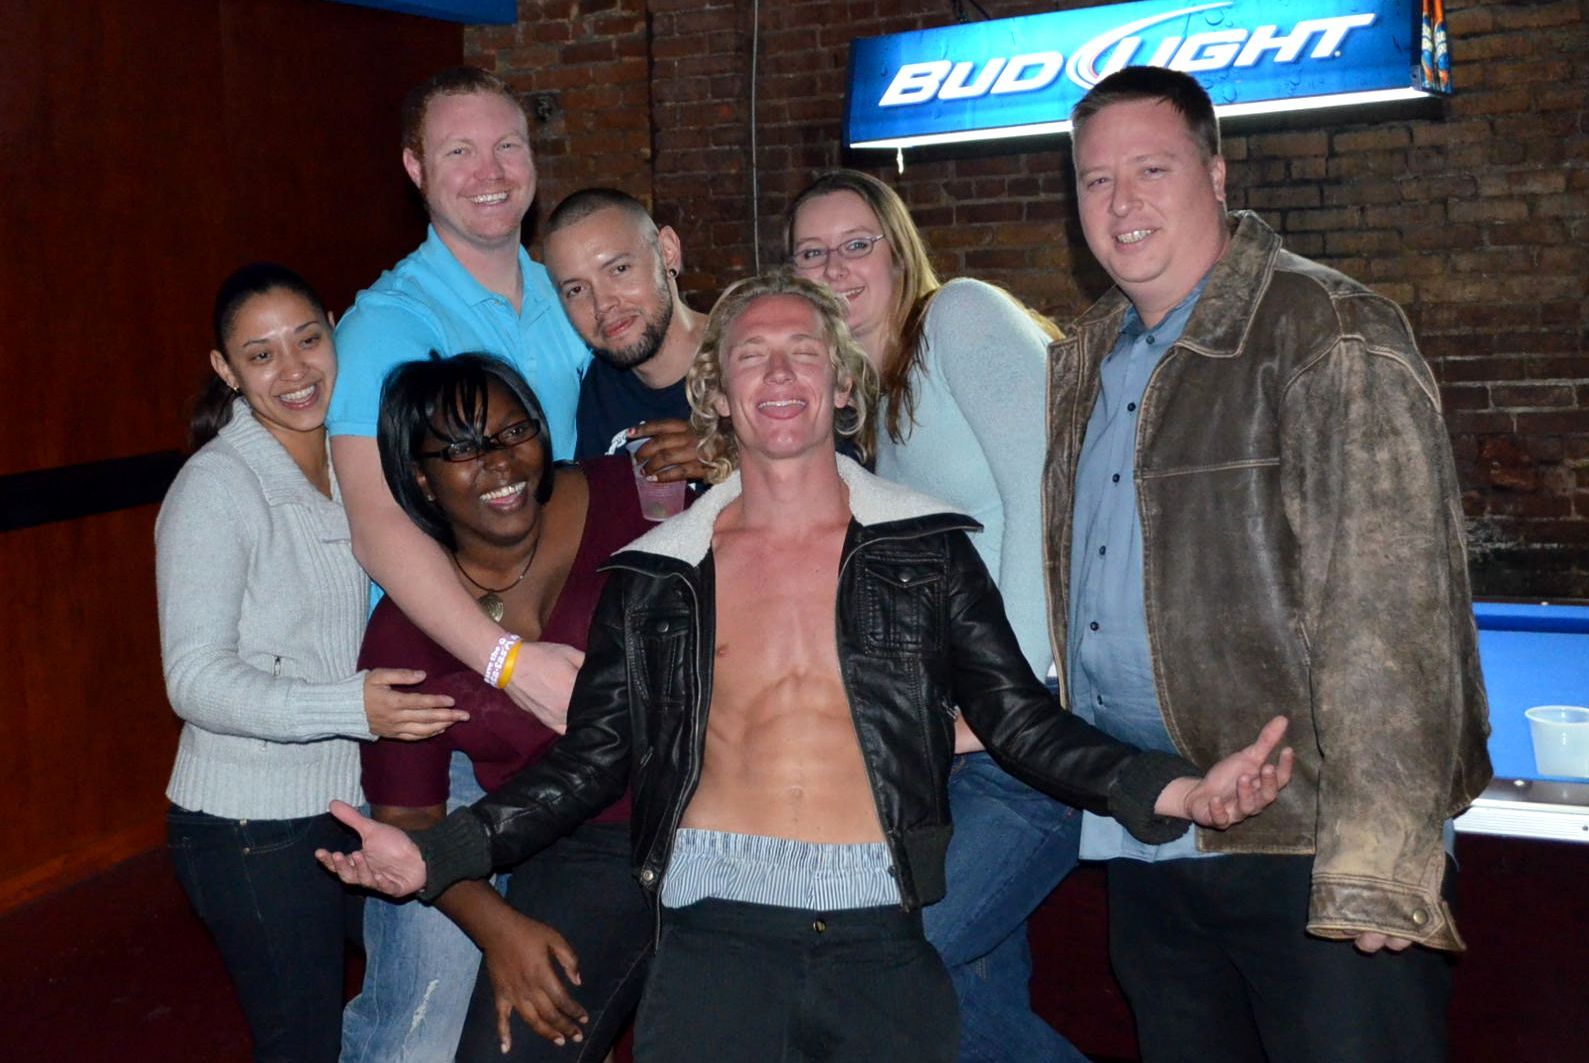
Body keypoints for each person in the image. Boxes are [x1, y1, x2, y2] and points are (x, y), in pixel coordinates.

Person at [317, 271, 1295, 1063]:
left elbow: (1017, 718)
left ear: (841, 384)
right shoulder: (656, 573)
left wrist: (1171, 789)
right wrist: (442, 854)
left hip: (877, 931)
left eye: (804, 352)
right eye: (752, 354)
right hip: (711, 935)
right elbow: (592, 757)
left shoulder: (923, 550)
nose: (779, 373)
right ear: (716, 392)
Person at [1050, 66, 1492, 1062]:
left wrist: (1377, 859)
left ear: (1215, 175)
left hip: (1307, 841)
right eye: (1094, 179)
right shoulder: (1087, 357)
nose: (1119, 202)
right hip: (1152, 830)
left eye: (1150, 169)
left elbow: (1392, 616)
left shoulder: (1325, 328)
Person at [787, 169, 1084, 1063]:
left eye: (856, 244)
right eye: (810, 253)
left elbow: (1050, 494)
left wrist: (1005, 705)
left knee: (877, 970)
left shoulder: (957, 315)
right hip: (949, 750)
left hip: (1024, 744)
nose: (834, 267)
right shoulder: (873, 408)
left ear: (898, 251)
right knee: (954, 1021)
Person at [156, 263, 463, 1062]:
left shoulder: (352, 459)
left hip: (350, 802)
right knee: (302, 1042)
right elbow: (193, 678)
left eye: (306, 340)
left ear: (334, 329)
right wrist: (351, 705)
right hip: (247, 826)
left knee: (430, 989)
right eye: (260, 355)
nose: (293, 371)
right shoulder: (216, 487)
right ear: (226, 369)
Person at [348, 353, 653, 1062]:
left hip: (711, 815)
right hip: (574, 846)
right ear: (420, 478)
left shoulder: (633, 491)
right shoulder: (406, 625)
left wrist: (716, 449)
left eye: (514, 431)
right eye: (459, 449)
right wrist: (499, 929)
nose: (499, 461)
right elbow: (410, 817)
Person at [328, 65, 591, 739]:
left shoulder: (572, 295)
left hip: (566, 637)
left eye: (507, 145)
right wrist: (509, 663)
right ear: (415, 169)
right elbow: (377, 523)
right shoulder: (385, 325)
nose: (490, 172)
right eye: (459, 151)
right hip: (454, 677)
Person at [541, 187, 708, 481]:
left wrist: (735, 460)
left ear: (667, 251)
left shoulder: (752, 363)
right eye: (576, 290)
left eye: (619, 269)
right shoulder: (589, 393)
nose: (602, 304)